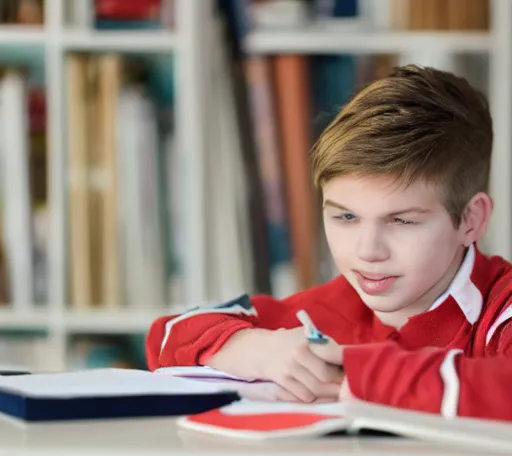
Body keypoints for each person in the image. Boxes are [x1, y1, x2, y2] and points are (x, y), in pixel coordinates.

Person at [145, 65, 512, 422]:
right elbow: (165, 337)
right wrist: (255, 349)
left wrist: (356, 374)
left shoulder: (501, 305)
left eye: (401, 221)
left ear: (470, 220)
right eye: (345, 217)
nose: (368, 251)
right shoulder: (328, 310)